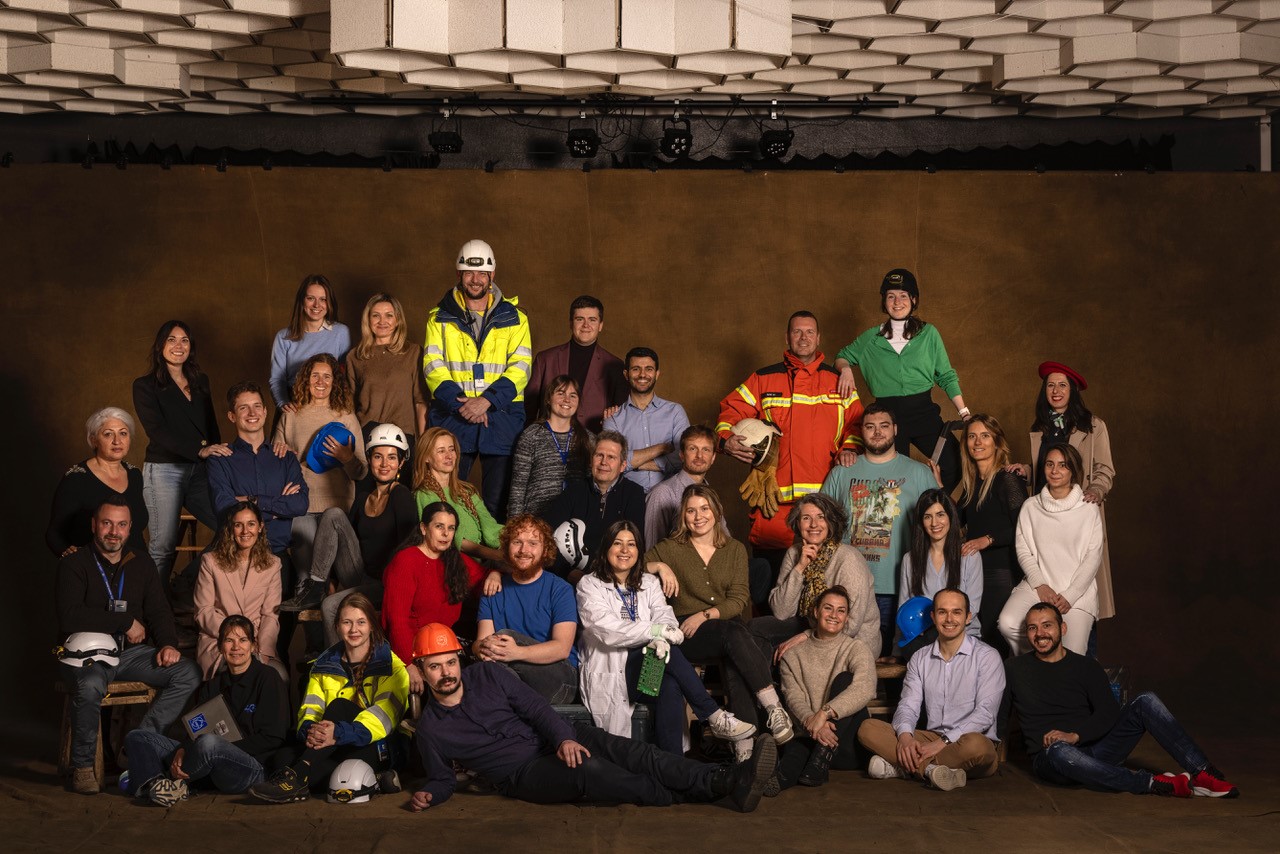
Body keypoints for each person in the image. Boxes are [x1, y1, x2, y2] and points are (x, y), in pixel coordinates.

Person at [410, 623, 778, 813]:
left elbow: (537, 709)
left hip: (560, 736)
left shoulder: (488, 675)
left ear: (460, 660)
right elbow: (442, 777)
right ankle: (712, 790)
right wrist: (431, 793)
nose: (446, 671)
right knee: (599, 773)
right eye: (435, 666)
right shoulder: (430, 731)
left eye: (450, 661)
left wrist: (564, 738)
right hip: (524, 775)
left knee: (636, 754)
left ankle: (726, 779)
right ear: (422, 671)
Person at [1005, 602, 1238, 799]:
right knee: (1059, 750)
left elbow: (1108, 713)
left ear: (1062, 628)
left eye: (1047, 625)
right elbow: (1000, 712)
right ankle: (1151, 783)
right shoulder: (1014, 668)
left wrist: (1074, 735)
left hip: (1096, 749)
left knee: (1146, 700)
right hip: (1053, 759)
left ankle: (1204, 773)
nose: (1040, 634)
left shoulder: (1086, 666)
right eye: (1032, 628)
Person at [55, 496, 200, 794]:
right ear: (94, 525)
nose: (113, 531)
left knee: (187, 672)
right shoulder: (74, 562)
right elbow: (71, 617)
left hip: (129, 655)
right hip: (86, 658)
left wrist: (168, 644)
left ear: (130, 528)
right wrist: (124, 622)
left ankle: (140, 743)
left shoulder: (141, 562)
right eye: (107, 523)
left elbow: (159, 610)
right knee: (90, 685)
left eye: (121, 525)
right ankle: (82, 767)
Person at [577, 520, 756, 756]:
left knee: (669, 685)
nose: (624, 550)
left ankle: (674, 767)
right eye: (617, 543)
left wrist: (662, 637)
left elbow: (665, 615)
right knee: (668, 660)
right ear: (606, 548)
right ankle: (713, 715)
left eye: (631, 545)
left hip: (649, 670)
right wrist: (655, 632)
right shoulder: (590, 584)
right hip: (616, 671)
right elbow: (606, 629)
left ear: (639, 551)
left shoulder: (649, 582)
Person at [645, 484, 793, 756]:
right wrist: (658, 566)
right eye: (691, 511)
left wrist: (705, 615)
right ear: (683, 516)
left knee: (735, 655)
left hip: (725, 630)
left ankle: (745, 753)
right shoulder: (670, 548)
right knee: (736, 636)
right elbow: (628, 563)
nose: (698, 516)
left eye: (704, 508)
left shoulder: (734, 549)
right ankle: (773, 707)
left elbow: (739, 599)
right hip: (688, 634)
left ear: (716, 511)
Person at [717, 310, 864, 574]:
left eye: (809, 332)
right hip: (773, 508)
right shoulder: (763, 379)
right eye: (797, 331)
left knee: (821, 592)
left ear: (818, 338)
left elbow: (856, 423)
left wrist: (850, 448)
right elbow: (730, 410)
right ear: (787, 338)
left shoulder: (837, 381)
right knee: (769, 588)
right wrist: (726, 440)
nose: (803, 337)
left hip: (823, 509)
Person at [249, 592, 410, 803]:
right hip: (332, 745)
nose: (354, 629)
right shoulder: (323, 666)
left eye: (361, 622)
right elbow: (310, 710)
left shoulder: (392, 667)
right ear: (337, 627)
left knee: (340, 707)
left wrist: (339, 733)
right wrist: (311, 732)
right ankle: (373, 781)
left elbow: (382, 721)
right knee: (282, 758)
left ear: (372, 625)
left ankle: (298, 776)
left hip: (380, 745)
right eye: (347, 622)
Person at [124, 615, 289, 805]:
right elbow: (196, 727)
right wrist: (185, 748)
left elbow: (274, 737)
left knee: (209, 743)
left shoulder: (268, 678)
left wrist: (219, 748)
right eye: (229, 640)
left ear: (253, 646)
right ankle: (155, 785)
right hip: (206, 756)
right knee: (138, 736)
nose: (236, 647)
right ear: (220, 647)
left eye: (243, 640)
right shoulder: (213, 685)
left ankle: (173, 782)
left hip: (251, 768)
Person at [281, 424, 420, 650]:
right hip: (360, 574)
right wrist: (333, 581)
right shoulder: (363, 497)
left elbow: (409, 549)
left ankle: (340, 665)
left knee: (330, 606)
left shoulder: (401, 496)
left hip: (386, 583)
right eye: (378, 456)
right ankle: (316, 585)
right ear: (369, 459)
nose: (384, 464)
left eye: (391, 457)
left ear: (401, 463)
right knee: (334, 514)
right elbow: (344, 541)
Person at [423, 238, 532, 521]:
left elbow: (521, 368)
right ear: (459, 275)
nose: (475, 279)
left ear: (492, 275)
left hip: (501, 418)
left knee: (497, 506)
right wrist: (464, 406)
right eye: (469, 273)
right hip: (454, 418)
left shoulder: (517, 319)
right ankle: (452, 562)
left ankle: (489, 565)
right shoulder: (438, 318)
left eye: (482, 273)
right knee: (445, 502)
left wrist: (485, 402)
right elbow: (433, 367)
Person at [834, 269, 969, 491]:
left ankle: (929, 511)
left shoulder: (929, 334)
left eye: (903, 295)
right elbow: (841, 357)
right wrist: (846, 369)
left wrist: (964, 413)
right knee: (893, 482)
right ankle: (903, 521)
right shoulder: (871, 338)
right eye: (891, 296)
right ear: (884, 302)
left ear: (913, 299)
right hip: (887, 417)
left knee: (955, 463)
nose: (897, 302)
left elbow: (946, 375)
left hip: (924, 412)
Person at [820, 402, 937, 659]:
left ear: (895, 429)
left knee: (900, 662)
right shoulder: (841, 473)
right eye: (870, 427)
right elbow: (819, 525)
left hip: (903, 585)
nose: (877, 432)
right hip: (851, 585)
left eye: (884, 426)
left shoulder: (918, 473)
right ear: (861, 431)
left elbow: (939, 526)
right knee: (850, 661)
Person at [857, 588, 1003, 792]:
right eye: (942, 612)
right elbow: (908, 705)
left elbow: (985, 714)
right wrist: (906, 737)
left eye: (957, 612)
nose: (949, 619)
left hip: (969, 740)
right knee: (868, 728)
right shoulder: (920, 658)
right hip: (930, 737)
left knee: (977, 747)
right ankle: (929, 771)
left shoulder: (988, 657)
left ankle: (903, 768)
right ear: (933, 617)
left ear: (968, 617)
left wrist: (943, 742)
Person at [1018, 361, 1117, 640]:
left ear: (1072, 390)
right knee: (1047, 591)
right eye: (1050, 385)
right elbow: (1045, 471)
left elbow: (1105, 469)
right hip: (1047, 520)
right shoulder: (1040, 428)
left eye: (1062, 385)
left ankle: (1085, 664)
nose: (1056, 390)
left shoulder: (1094, 426)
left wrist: (1096, 490)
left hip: (1078, 517)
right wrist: (1025, 471)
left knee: (1081, 592)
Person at [132, 320, 227, 583]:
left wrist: (215, 460)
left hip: (200, 471)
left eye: (184, 340)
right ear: (161, 346)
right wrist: (201, 450)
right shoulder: (144, 386)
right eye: (171, 340)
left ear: (191, 347)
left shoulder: (201, 381)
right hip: (164, 471)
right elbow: (157, 432)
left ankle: (183, 583)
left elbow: (212, 428)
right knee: (162, 548)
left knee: (231, 526)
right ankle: (153, 611)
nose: (178, 346)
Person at [998, 444, 1102, 656]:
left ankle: (1057, 677)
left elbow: (1093, 558)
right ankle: (1035, 668)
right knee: (1007, 622)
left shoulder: (1088, 509)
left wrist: (1071, 595)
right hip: (1038, 586)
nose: (1055, 471)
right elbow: (1024, 549)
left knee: (1072, 653)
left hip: (1077, 593)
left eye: (1063, 465)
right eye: (1049, 464)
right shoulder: (1030, 506)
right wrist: (1040, 585)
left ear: (1073, 470)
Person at [273, 353, 368, 579]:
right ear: (305, 379)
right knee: (306, 578)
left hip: (337, 506)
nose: (320, 382)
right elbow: (275, 461)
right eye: (315, 375)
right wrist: (286, 458)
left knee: (337, 577)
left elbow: (362, 471)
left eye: (327, 376)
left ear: (335, 382)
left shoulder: (346, 417)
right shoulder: (291, 415)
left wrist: (346, 457)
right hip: (301, 505)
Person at [773, 586, 876, 790]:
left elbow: (865, 687)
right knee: (793, 756)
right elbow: (792, 696)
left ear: (847, 618)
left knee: (845, 680)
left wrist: (824, 714)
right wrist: (812, 722)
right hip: (810, 736)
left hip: (847, 744)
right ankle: (773, 780)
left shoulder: (855, 648)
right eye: (828, 608)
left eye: (841, 611)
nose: (834, 615)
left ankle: (822, 756)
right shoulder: (793, 654)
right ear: (816, 611)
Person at [382, 501, 493, 691]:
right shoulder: (407, 560)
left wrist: (495, 573)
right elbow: (396, 620)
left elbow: (485, 579)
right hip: (413, 648)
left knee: (482, 680)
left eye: (451, 528)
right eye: (439, 526)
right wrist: (408, 664)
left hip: (443, 645)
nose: (446, 533)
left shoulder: (454, 560)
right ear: (424, 529)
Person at [755, 493, 879, 660]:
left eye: (821, 517)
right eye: (806, 518)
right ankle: (764, 685)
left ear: (831, 522)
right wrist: (799, 568)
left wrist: (807, 636)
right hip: (811, 624)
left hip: (852, 640)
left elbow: (851, 625)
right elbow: (781, 612)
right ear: (798, 524)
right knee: (756, 629)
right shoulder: (794, 553)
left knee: (790, 656)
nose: (814, 524)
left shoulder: (849, 558)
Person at [473, 515, 579, 704]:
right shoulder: (492, 590)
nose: (524, 550)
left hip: (561, 680)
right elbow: (481, 641)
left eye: (533, 543)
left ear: (545, 550)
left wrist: (516, 652)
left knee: (502, 639)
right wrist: (481, 648)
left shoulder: (560, 589)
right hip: (512, 677)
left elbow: (562, 648)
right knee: (487, 668)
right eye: (517, 542)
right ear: (507, 547)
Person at [207, 381, 309, 564]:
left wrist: (253, 501)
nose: (252, 413)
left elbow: (300, 504)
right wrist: (278, 510)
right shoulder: (220, 459)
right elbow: (224, 507)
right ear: (232, 416)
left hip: (277, 555)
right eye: (243, 408)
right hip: (236, 557)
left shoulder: (285, 457)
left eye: (257, 406)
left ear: (265, 412)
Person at [956, 414, 1027, 655]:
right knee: (980, 638)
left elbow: (1024, 527)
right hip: (975, 572)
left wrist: (987, 539)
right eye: (972, 436)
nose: (978, 442)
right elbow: (954, 522)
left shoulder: (1007, 479)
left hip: (1002, 572)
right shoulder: (971, 483)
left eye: (985, 436)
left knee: (997, 640)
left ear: (996, 442)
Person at [193, 501, 283, 679]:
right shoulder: (210, 561)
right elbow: (203, 611)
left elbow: (270, 615)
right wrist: (235, 638)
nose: (245, 531)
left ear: (260, 527)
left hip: (256, 642)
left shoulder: (273, 564)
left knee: (278, 677)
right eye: (238, 525)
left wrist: (261, 649)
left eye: (251, 524)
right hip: (220, 641)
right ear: (230, 529)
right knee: (230, 674)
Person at [47, 407, 149, 558]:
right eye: (108, 434)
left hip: (136, 566)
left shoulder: (135, 475)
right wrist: (69, 556)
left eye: (123, 433)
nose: (117, 441)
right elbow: (54, 534)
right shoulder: (76, 478)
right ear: (94, 440)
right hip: (94, 569)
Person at [543, 430, 645, 581]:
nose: (604, 462)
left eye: (611, 457)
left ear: (623, 465)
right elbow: (545, 537)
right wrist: (569, 572)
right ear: (592, 460)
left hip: (614, 578)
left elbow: (634, 546)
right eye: (599, 455)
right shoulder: (574, 491)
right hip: (571, 576)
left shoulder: (634, 494)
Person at [897, 489, 983, 657]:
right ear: (921, 522)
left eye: (940, 514)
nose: (934, 523)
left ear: (950, 517)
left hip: (961, 634)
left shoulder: (969, 556)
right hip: (921, 639)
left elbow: (972, 607)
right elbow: (903, 608)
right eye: (928, 516)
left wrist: (937, 628)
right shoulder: (910, 559)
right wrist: (896, 651)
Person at [525, 295, 626, 433]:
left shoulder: (615, 366)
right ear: (571, 323)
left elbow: (620, 417)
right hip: (548, 443)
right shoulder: (545, 359)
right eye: (580, 319)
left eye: (592, 320)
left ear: (601, 325)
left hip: (593, 445)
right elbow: (528, 410)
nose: (586, 325)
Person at [603, 347, 689, 495]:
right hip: (628, 498)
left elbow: (684, 455)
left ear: (657, 374)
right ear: (626, 374)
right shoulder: (613, 418)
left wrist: (636, 463)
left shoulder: (675, 412)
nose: (642, 374)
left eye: (648, 369)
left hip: (672, 496)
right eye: (636, 369)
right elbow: (612, 461)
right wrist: (660, 448)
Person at [346, 293, 428, 448]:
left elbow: (420, 401)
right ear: (368, 320)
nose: (382, 321)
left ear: (397, 320)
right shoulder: (354, 357)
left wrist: (423, 443)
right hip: (366, 435)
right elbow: (348, 406)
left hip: (403, 434)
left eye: (389, 315)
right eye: (376, 315)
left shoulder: (413, 352)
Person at [412, 427, 504, 565]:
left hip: (483, 562)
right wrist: (496, 555)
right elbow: (453, 540)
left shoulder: (466, 490)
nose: (449, 456)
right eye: (441, 451)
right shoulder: (424, 494)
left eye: (451, 449)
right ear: (426, 457)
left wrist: (518, 538)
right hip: (453, 565)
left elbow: (490, 529)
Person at [507, 374, 592, 519]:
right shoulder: (531, 435)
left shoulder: (589, 438)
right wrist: (515, 526)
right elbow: (518, 488)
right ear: (548, 398)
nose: (567, 400)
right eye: (560, 393)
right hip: (536, 520)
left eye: (573, 396)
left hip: (576, 520)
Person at [269, 273, 352, 412]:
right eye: (310, 298)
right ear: (302, 301)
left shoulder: (341, 333)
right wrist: (283, 403)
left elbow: (345, 376)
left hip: (330, 406)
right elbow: (277, 379)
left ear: (329, 302)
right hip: (294, 406)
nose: (316, 305)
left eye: (323, 299)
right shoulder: (284, 337)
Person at [644, 424, 724, 549]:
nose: (699, 456)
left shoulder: (712, 495)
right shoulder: (662, 493)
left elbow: (724, 538)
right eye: (692, 449)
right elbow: (653, 551)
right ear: (681, 455)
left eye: (706, 450)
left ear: (713, 457)